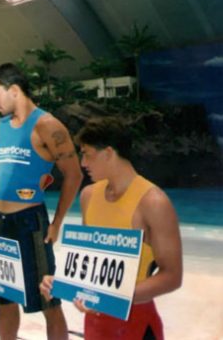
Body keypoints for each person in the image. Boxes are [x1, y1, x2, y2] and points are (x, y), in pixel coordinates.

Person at [40, 117, 183, 339]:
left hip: (136, 323)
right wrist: (62, 283)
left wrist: (112, 299)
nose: (83, 163)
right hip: (96, 325)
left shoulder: (153, 201)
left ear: (108, 152)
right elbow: (91, 263)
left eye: (87, 154)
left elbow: (172, 276)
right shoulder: (89, 196)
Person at [0, 63, 83, 340]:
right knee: (5, 297)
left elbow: (73, 175)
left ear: (14, 90)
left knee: (48, 298)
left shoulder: (47, 126)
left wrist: (58, 222)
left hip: (31, 222)